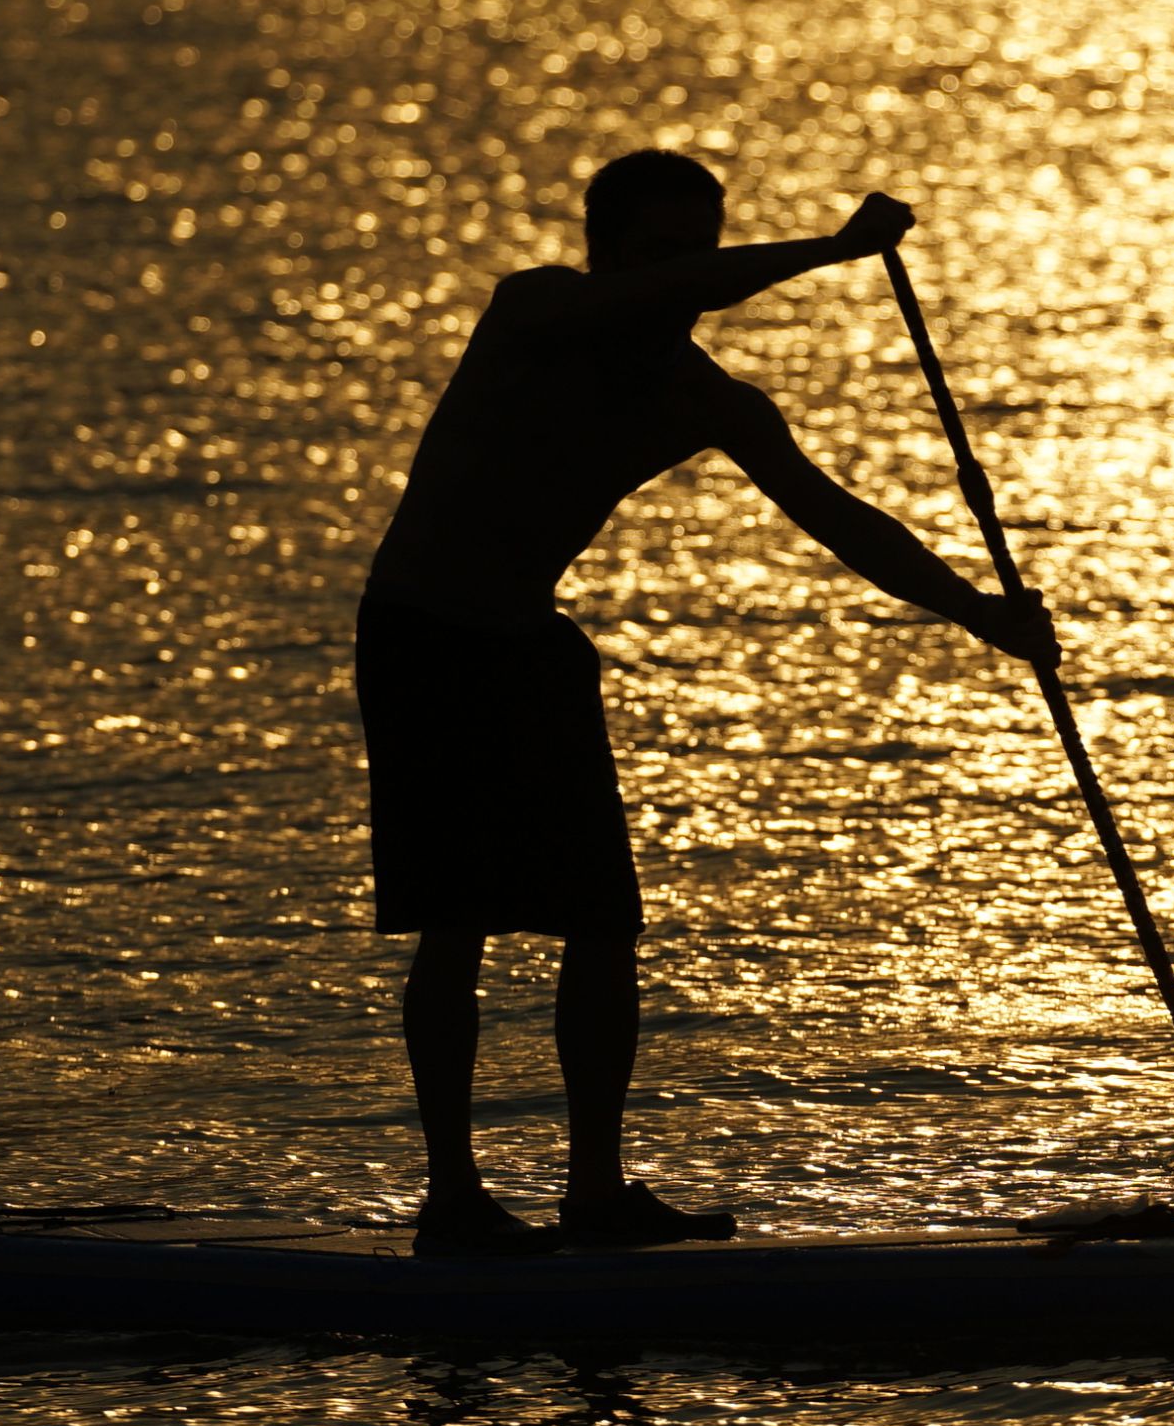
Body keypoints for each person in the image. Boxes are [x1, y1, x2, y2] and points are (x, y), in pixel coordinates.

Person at [357, 150, 1058, 1253]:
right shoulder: (536, 308)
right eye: (658, 256)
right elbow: (648, 297)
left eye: (701, 252)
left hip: (532, 643)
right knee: (459, 924)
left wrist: (984, 615)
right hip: (424, 634)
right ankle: (455, 1206)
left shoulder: (703, 399)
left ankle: (595, 1197)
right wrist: (831, 251)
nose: (682, 277)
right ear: (608, 257)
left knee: (603, 923)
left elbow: (844, 521)